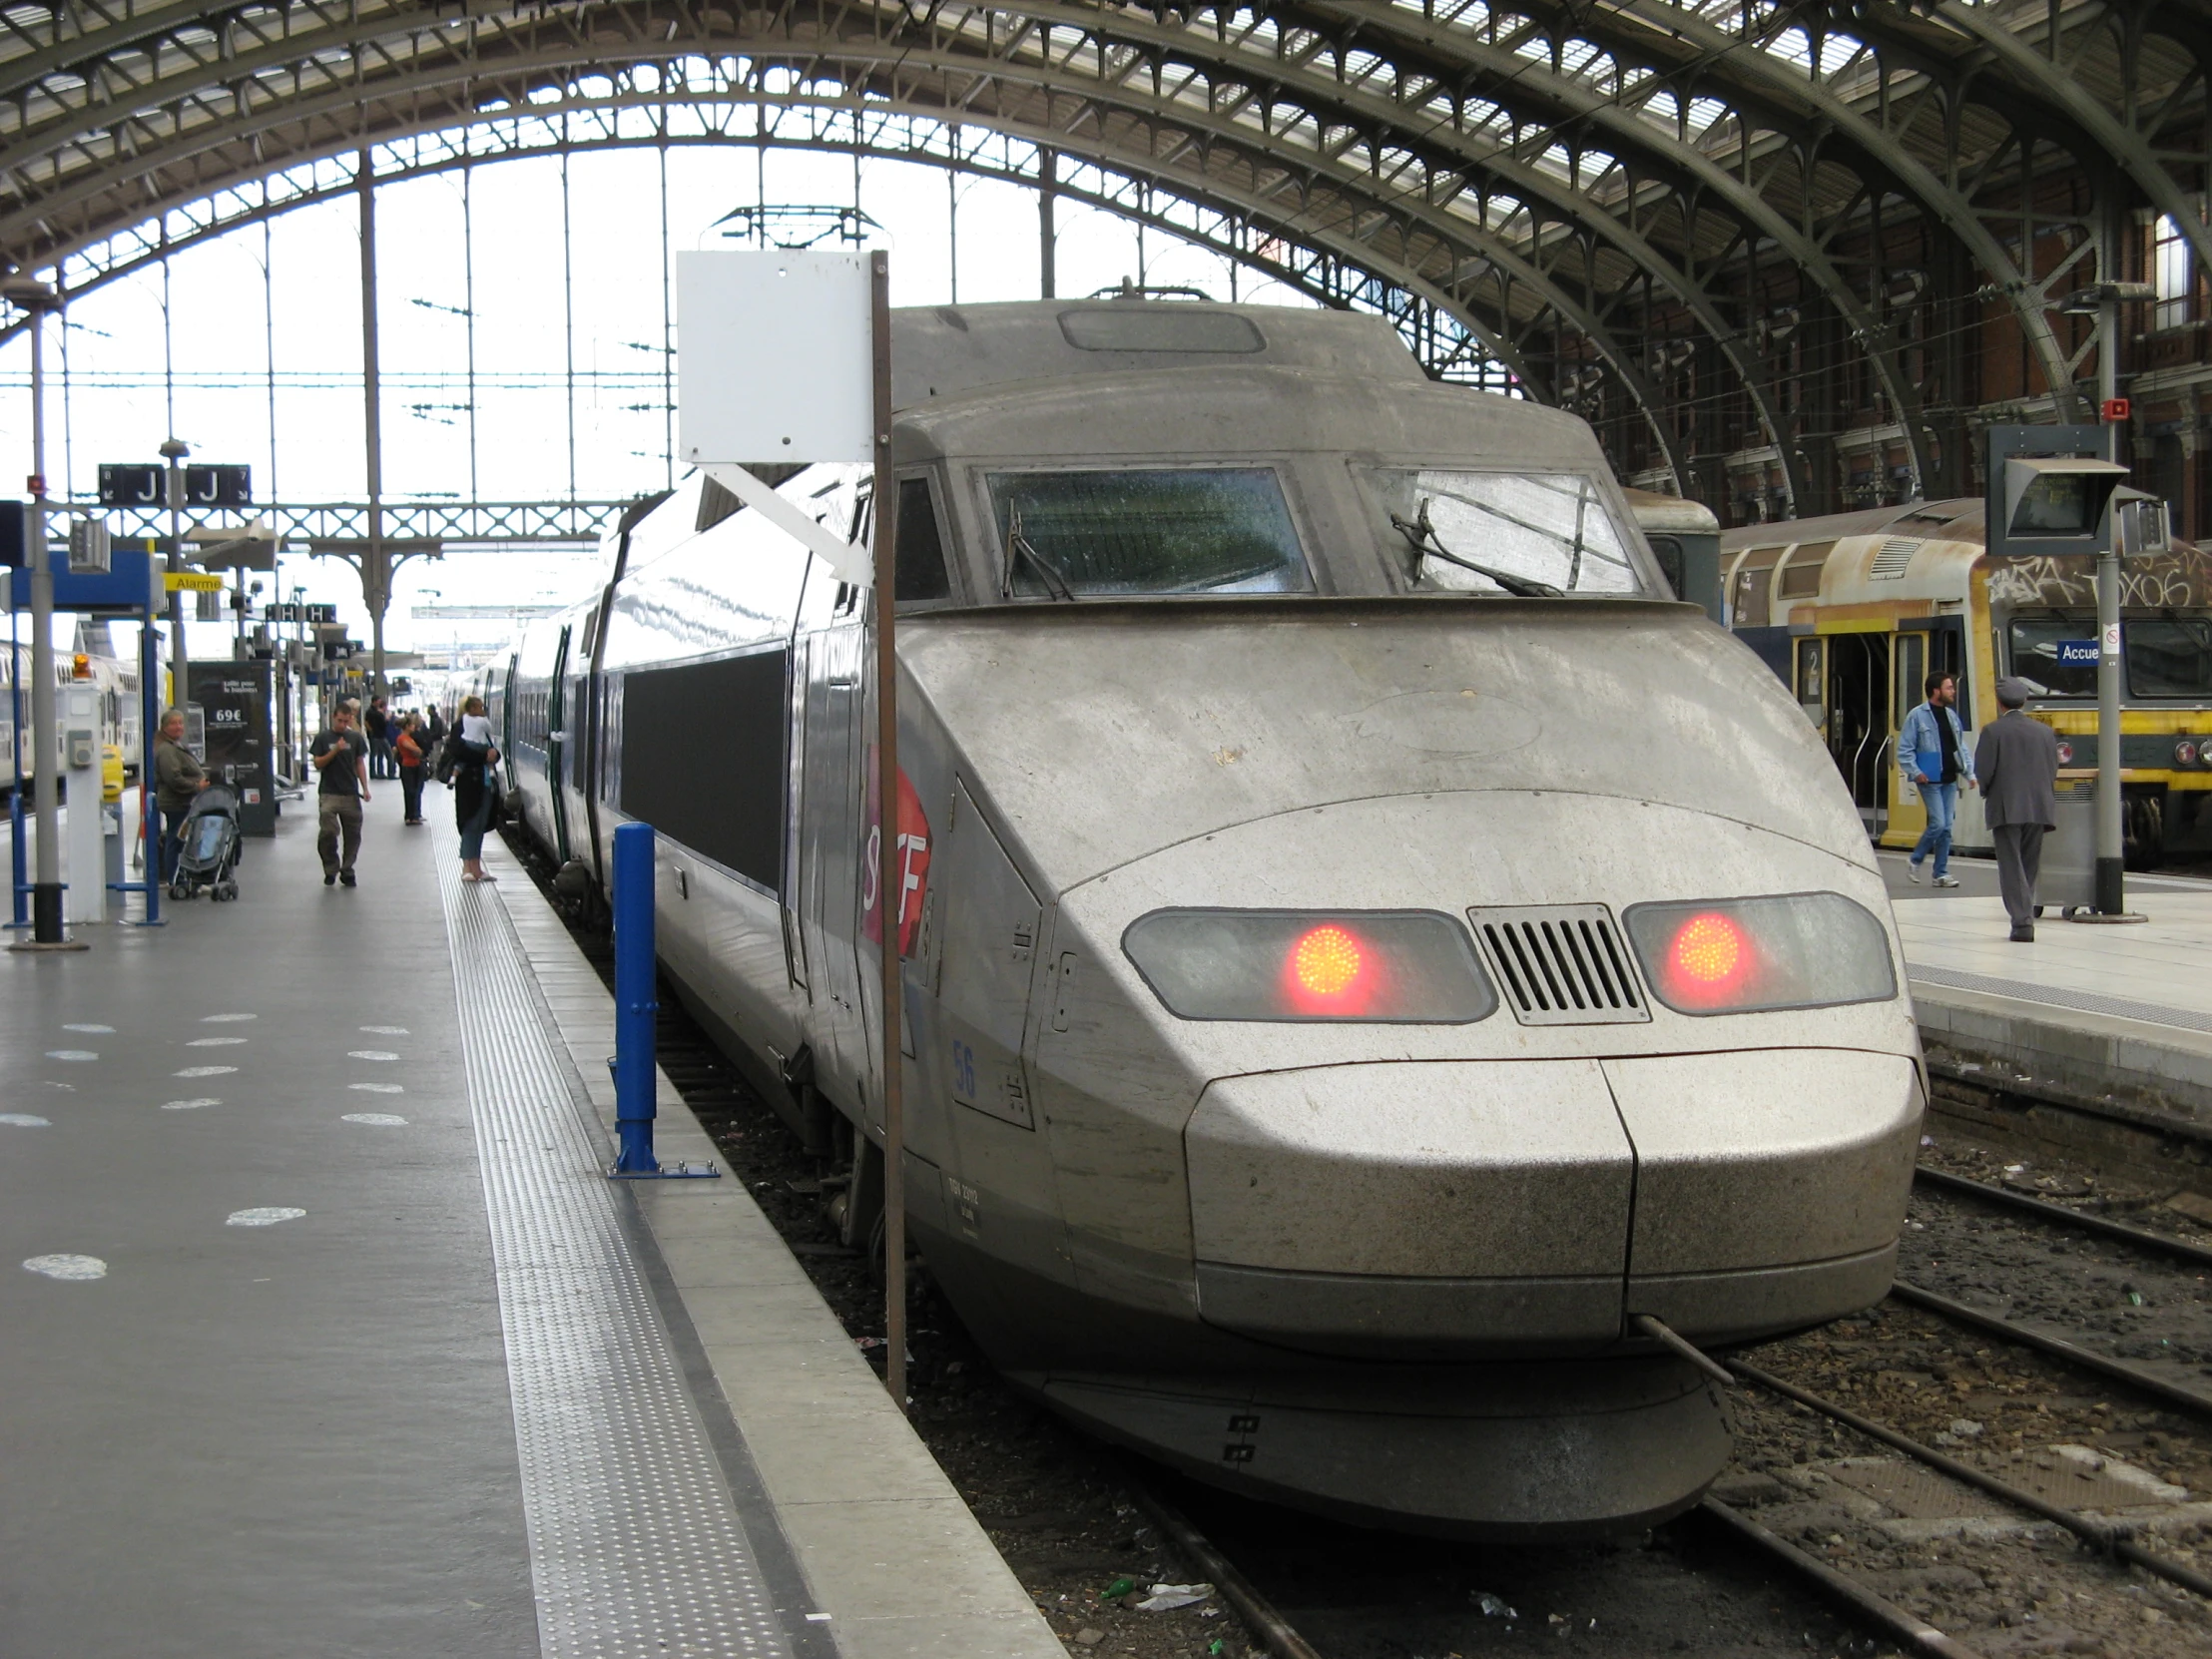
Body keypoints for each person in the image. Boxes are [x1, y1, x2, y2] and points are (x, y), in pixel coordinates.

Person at [1973, 676, 2060, 942]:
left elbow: (1984, 771)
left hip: (2006, 807)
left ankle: (2022, 923)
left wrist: (1988, 792)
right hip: (2039, 807)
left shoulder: (1992, 731)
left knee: (2011, 866)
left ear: (1999, 703)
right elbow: (2053, 769)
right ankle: (2025, 913)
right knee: (2029, 865)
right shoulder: (2045, 732)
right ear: (2025, 701)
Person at [1897, 671, 1975, 887]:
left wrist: (1970, 773)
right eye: (1949, 687)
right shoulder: (1917, 716)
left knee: (1947, 827)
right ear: (1936, 691)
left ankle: (1941, 873)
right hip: (1928, 779)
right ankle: (1915, 860)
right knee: (1938, 823)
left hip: (1949, 779)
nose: (1953, 691)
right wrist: (1915, 771)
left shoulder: (1951, 716)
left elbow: (1960, 746)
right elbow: (1904, 749)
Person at [310, 699, 370, 887]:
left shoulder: (355, 738)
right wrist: (335, 750)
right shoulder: (322, 738)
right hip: (329, 793)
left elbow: (359, 763)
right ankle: (330, 867)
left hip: (350, 794)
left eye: (347, 721)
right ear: (333, 718)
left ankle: (347, 869)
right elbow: (318, 763)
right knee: (328, 831)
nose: (343, 725)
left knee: (353, 835)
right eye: (340, 721)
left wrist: (365, 787)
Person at [151, 707, 209, 881]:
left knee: (178, 839)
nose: (178, 727)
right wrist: (195, 786)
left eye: (181, 723)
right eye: (174, 723)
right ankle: (176, 879)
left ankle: (180, 877)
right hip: (177, 803)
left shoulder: (175, 745)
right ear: (165, 727)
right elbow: (173, 778)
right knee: (176, 840)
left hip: (183, 801)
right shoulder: (167, 750)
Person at [453, 695, 500, 882]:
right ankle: (467, 867)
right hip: (469, 784)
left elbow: (493, 750)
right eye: (480, 707)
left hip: (485, 784)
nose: (483, 710)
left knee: (480, 825)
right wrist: (483, 758)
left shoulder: (483, 726)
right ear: (470, 708)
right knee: (470, 824)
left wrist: (495, 755)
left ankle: (477, 867)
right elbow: (458, 751)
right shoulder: (460, 727)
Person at [394, 712, 427, 826]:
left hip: (413, 765)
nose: (414, 727)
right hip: (408, 766)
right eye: (412, 725)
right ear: (407, 726)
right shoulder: (403, 738)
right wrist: (418, 750)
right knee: (411, 790)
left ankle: (411, 815)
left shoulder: (407, 738)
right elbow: (416, 750)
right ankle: (412, 816)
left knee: (411, 790)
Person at [363, 696, 392, 780]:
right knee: (380, 753)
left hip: (376, 735)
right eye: (378, 701)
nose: (379, 703)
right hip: (377, 735)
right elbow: (367, 722)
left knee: (378, 754)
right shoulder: (373, 712)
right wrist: (372, 731)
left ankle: (377, 772)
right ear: (374, 701)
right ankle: (378, 772)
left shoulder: (373, 711)